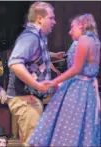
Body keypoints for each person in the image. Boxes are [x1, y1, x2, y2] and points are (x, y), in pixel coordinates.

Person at [29, 13, 101, 147]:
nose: (69, 31)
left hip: (79, 89)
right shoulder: (93, 41)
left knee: (68, 127)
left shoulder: (85, 40)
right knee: (81, 128)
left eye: (72, 27)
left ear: (82, 26)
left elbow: (76, 69)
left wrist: (53, 81)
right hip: (85, 89)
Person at [6, 2, 56, 146]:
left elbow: (34, 58)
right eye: (51, 18)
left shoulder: (38, 37)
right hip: (24, 98)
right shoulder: (30, 37)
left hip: (29, 98)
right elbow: (15, 63)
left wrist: (55, 56)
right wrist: (37, 85)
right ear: (40, 18)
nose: (54, 21)